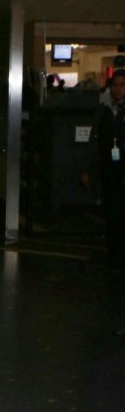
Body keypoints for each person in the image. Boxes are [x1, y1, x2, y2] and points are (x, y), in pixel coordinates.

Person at [91, 68, 125, 270]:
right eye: (115, 85)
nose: (118, 89)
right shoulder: (106, 111)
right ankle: (114, 251)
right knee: (112, 212)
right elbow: (98, 142)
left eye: (122, 85)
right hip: (110, 171)